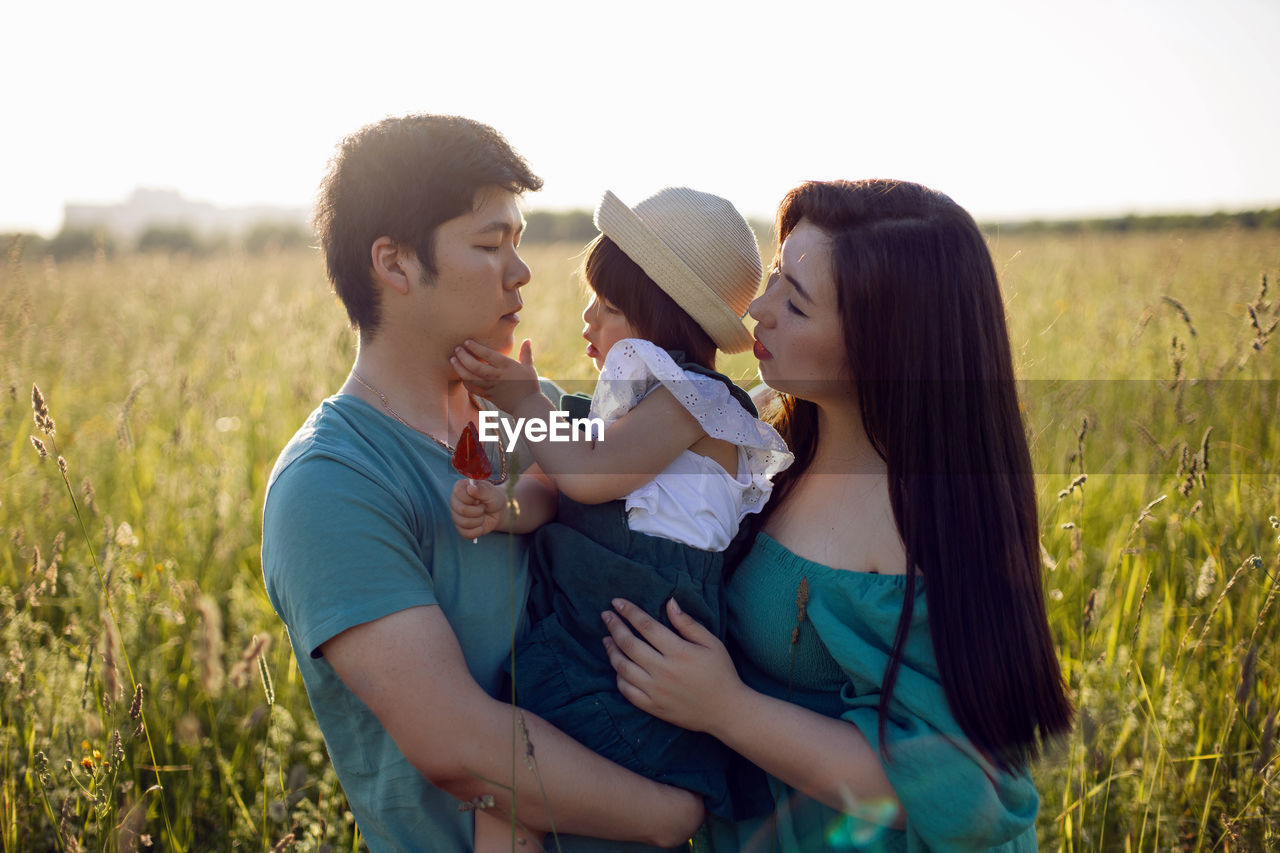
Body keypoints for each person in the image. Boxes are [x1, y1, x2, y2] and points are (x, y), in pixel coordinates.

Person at [261, 114, 704, 852]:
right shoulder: (331, 483)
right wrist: (678, 815)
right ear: (395, 265)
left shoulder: (545, 420)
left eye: (518, 242)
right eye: (491, 243)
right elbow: (458, 745)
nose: (521, 271)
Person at [600, 179, 1075, 851]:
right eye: (772, 276)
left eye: (795, 302)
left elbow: (962, 790)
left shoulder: (916, 526)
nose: (757, 312)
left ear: (886, 344)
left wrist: (726, 707)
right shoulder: (773, 426)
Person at [448, 188, 794, 849]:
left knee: (526, 796)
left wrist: (524, 401)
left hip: (630, 656)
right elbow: (562, 494)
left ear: (658, 318)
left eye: (606, 306)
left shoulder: (695, 401)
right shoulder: (629, 414)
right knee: (510, 798)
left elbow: (590, 474)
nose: (587, 318)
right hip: (591, 635)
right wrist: (507, 505)